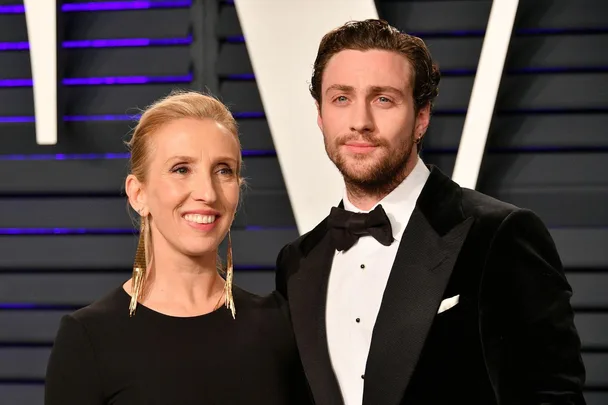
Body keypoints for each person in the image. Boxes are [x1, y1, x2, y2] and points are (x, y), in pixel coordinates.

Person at [275, 19, 586, 405]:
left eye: (383, 99)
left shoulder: (500, 234)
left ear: (422, 117)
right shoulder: (296, 263)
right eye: (341, 99)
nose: (360, 122)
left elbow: (552, 395)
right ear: (320, 116)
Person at [45, 91, 311, 405]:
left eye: (223, 170)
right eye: (181, 169)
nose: (207, 193)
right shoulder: (88, 338)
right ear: (138, 193)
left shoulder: (279, 325)